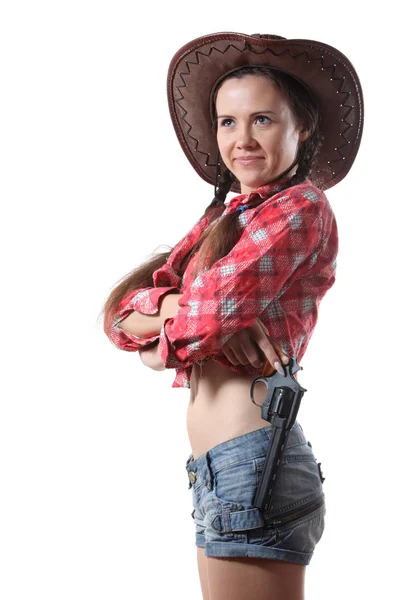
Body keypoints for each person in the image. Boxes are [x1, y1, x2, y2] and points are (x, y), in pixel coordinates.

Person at [102, 33, 363, 600]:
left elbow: (199, 320)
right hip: (220, 466)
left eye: (262, 119)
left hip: (253, 462)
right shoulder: (220, 220)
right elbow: (121, 315)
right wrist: (177, 310)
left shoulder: (299, 208)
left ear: (304, 128)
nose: (241, 139)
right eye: (227, 122)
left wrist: (162, 339)